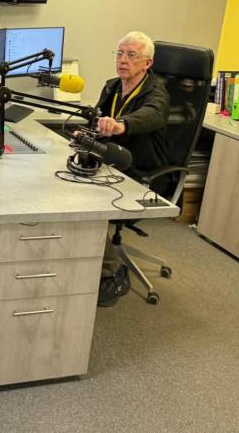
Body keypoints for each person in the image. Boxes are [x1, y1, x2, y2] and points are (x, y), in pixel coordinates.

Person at [94, 31, 170, 306]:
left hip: (141, 172)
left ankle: (107, 271)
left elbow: (152, 114)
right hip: (112, 161)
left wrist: (121, 125)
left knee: (91, 201)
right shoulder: (112, 87)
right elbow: (97, 119)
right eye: (120, 53)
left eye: (131, 55)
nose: (123, 60)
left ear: (147, 63)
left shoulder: (157, 93)